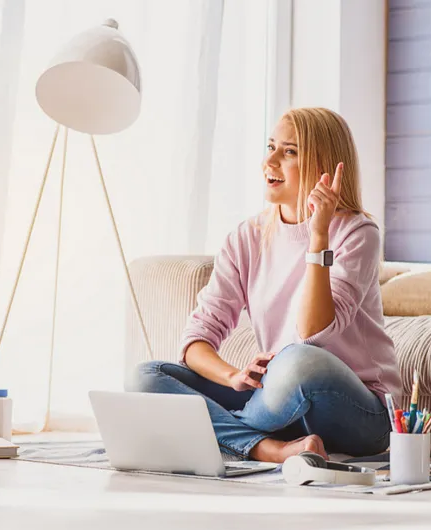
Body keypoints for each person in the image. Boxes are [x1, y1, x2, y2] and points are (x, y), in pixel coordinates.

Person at [127, 107, 401, 464]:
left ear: (324, 165)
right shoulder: (246, 237)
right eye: (270, 146)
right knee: (147, 377)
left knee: (299, 362)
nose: (269, 160)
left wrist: (318, 237)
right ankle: (269, 448)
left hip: (358, 412)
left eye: (289, 151)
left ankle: (214, 432)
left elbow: (313, 332)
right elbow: (195, 340)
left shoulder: (357, 233)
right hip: (278, 403)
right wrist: (233, 376)